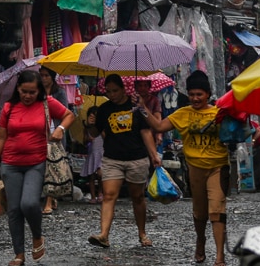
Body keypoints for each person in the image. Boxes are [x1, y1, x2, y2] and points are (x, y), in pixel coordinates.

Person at [0, 69, 74, 266]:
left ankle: (37, 235)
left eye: (32, 92)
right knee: (14, 210)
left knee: (29, 204)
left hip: (36, 162)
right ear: (18, 89)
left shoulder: (47, 104)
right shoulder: (9, 107)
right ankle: (19, 254)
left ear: (39, 92)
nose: (27, 96)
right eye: (24, 91)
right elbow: (1, 137)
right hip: (10, 164)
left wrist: (60, 129)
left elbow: (69, 115)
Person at [152, 70, 230, 266]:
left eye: (200, 94)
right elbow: (160, 127)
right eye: (192, 94)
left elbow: (237, 133)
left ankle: (219, 257)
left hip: (218, 167)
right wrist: (143, 109)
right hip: (194, 168)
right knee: (200, 212)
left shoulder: (219, 112)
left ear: (208, 94)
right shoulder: (183, 113)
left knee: (217, 210)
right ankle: (201, 240)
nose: (195, 98)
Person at [85, 74, 159, 250]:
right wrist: (90, 124)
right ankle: (104, 235)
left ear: (124, 89)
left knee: (137, 197)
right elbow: (94, 134)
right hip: (112, 159)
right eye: (108, 91)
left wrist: (154, 155)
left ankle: (142, 233)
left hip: (137, 158)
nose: (112, 94)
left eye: (115, 90)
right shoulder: (103, 109)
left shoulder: (136, 107)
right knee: (109, 195)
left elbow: (145, 132)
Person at [38, 66, 68, 214]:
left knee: (52, 167)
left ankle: (48, 201)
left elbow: (66, 113)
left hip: (54, 132)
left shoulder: (59, 93)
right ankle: (50, 196)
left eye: (46, 76)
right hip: (40, 134)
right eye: (41, 75)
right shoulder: (37, 93)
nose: (43, 79)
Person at [80, 105, 104, 203]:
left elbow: (105, 137)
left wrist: (97, 126)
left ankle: (100, 193)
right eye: (91, 116)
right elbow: (84, 141)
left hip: (101, 153)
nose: (93, 118)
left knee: (100, 174)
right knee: (91, 176)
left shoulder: (101, 127)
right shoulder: (87, 128)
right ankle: (93, 196)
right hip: (92, 154)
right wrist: (88, 139)